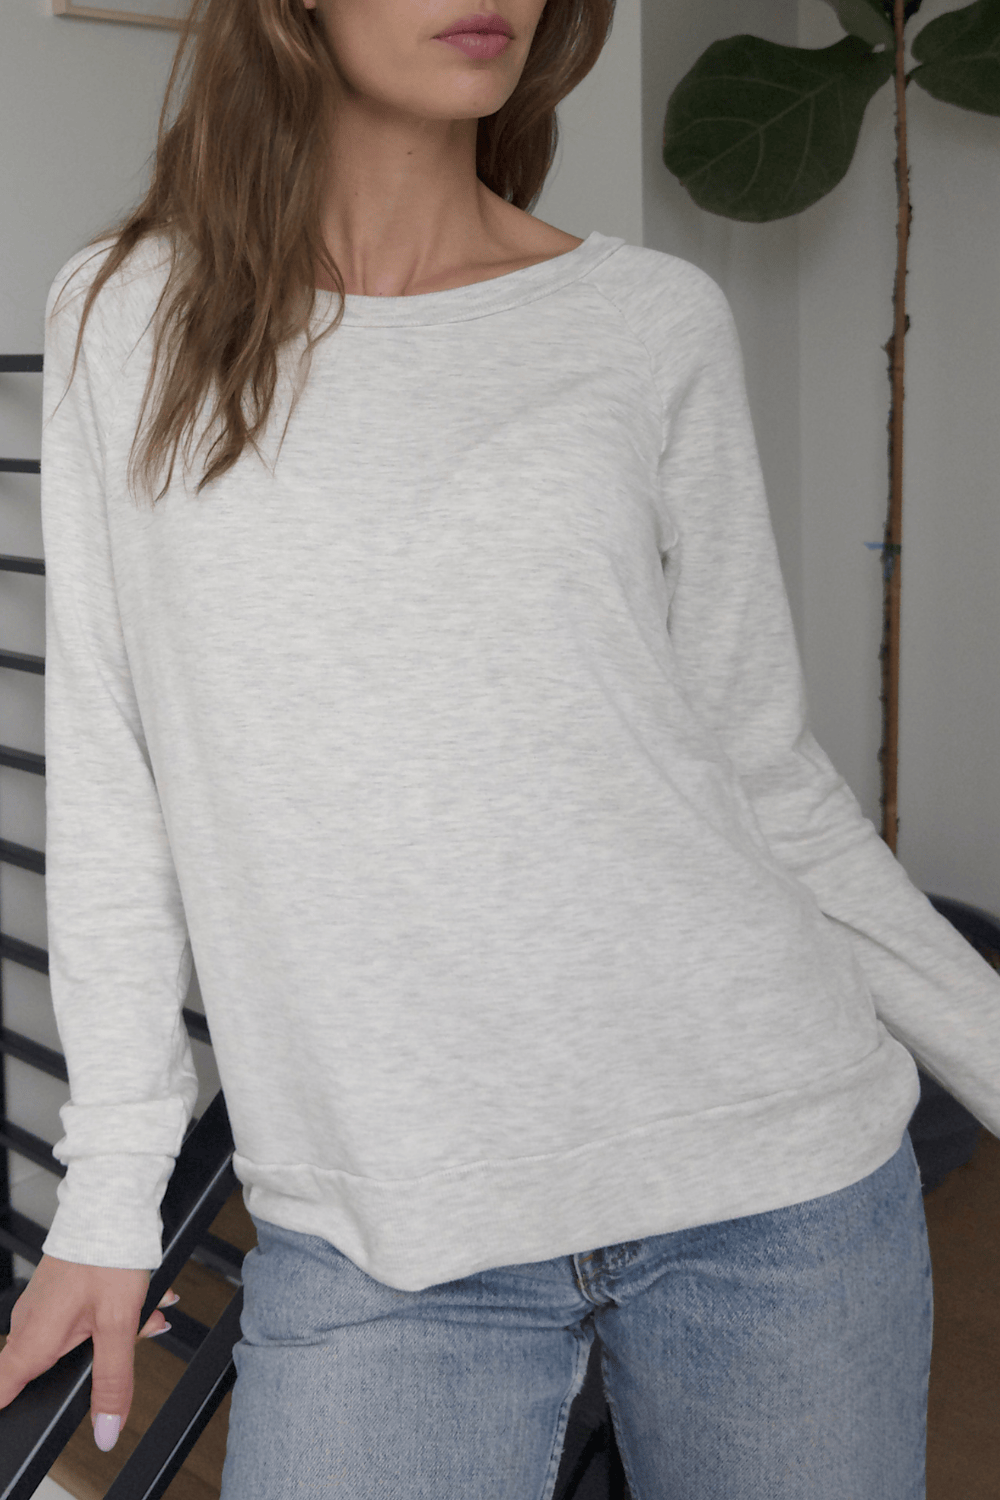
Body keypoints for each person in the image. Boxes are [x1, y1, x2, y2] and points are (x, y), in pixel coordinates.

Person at [1, 0, 999, 1493]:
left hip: (769, 1179)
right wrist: (108, 1196)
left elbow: (763, 775)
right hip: (384, 1231)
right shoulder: (122, 318)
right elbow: (112, 786)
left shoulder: (650, 321)